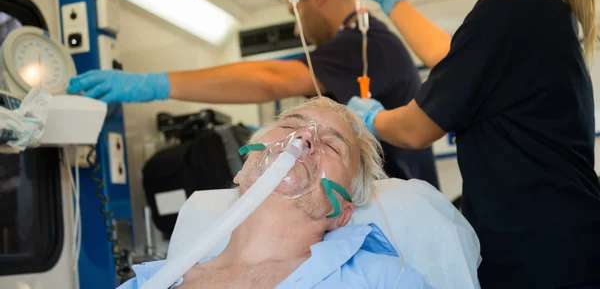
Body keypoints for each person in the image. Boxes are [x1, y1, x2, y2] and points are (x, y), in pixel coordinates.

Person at [348, 0, 600, 288]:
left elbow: (415, 129)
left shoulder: (502, 14)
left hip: (536, 261)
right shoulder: (545, 10)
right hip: (569, 249)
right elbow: (453, 59)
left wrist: (366, 119)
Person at [66, 0, 440, 188]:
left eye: (293, 12)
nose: (297, 28)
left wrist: (153, 84)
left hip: (397, 208)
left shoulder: (363, 43)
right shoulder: (361, 42)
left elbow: (271, 79)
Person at [117, 97, 433, 288]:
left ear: (341, 213)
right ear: (242, 169)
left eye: (332, 145)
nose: (304, 138)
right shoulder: (154, 282)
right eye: (288, 126)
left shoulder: (382, 280)